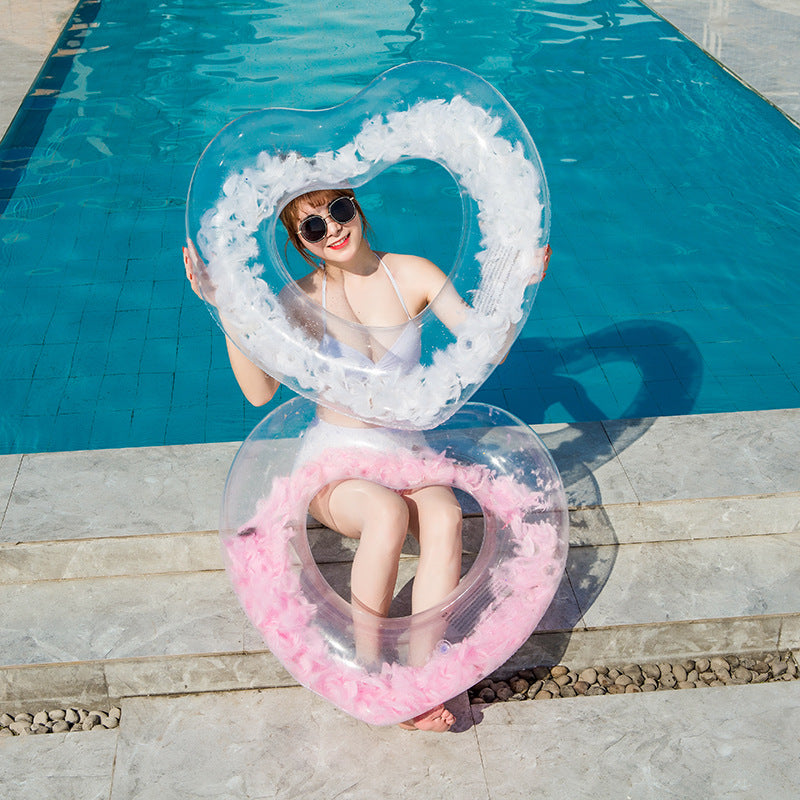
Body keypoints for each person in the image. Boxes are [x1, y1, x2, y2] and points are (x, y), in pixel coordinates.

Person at [184, 188, 549, 732]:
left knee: (447, 515)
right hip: (337, 460)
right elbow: (259, 392)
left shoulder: (412, 274)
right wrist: (226, 307)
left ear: (356, 207)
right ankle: (371, 671)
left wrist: (520, 286)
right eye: (312, 227)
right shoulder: (301, 299)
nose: (332, 229)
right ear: (300, 242)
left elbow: (482, 345)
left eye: (338, 211)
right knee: (386, 513)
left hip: (406, 452)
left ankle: (424, 676)